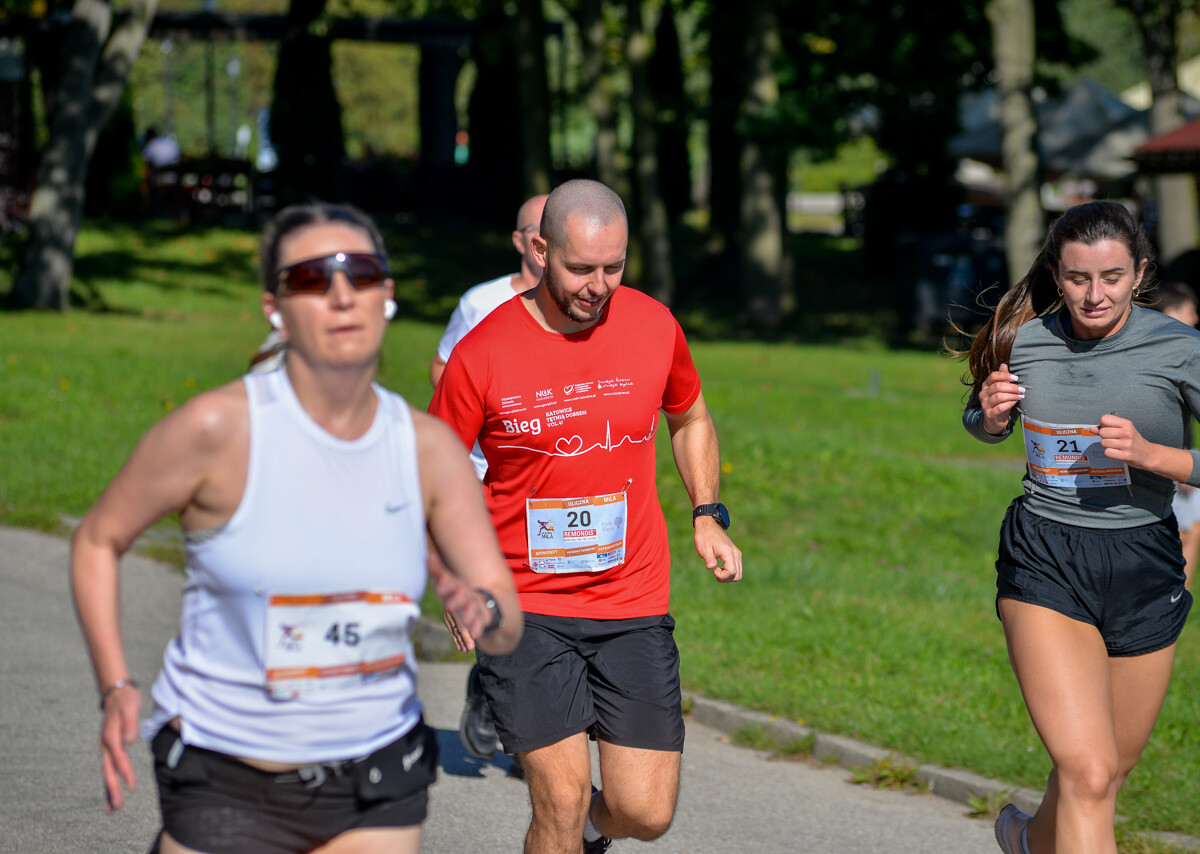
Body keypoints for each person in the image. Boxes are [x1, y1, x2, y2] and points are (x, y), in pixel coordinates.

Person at [70, 202, 523, 854]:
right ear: (274, 307)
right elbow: (97, 539)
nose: (341, 295)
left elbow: (503, 614)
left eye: (361, 274)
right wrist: (115, 686)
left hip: (376, 773)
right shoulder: (215, 431)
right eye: (312, 279)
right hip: (227, 773)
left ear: (386, 296)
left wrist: (481, 609)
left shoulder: (427, 449)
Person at [429, 179, 743, 854]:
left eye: (613, 267)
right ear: (540, 251)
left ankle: (589, 836)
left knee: (644, 812)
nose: (597, 286)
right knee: (562, 798)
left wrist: (707, 513)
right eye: (580, 268)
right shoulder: (482, 352)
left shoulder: (655, 326)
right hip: (525, 602)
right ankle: (565, 831)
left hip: (630, 601)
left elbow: (689, 417)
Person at [960, 201, 1197, 854]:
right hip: (1047, 557)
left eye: (1113, 278)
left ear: (1141, 272)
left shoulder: (1180, 348)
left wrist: (1156, 457)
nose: (1096, 295)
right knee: (1089, 771)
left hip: (1145, 560)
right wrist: (991, 416)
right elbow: (981, 423)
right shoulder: (1024, 340)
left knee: (1106, 772)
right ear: (1056, 274)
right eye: (1078, 279)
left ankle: (1030, 842)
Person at [429, 193, 547, 767]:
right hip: (482, 470)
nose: (546, 239)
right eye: (536, 229)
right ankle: (492, 686)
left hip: (550, 471)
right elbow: (444, 365)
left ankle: (537, 727)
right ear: (521, 241)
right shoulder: (482, 302)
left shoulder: (580, 304)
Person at [1149, 280, 1200, 590]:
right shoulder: (1167, 356)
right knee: (1183, 532)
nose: (1194, 318)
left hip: (1179, 459)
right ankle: (1174, 593)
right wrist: (1180, 464)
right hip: (1169, 464)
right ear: (1170, 313)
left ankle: (1180, 595)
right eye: (1189, 311)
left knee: (1192, 528)